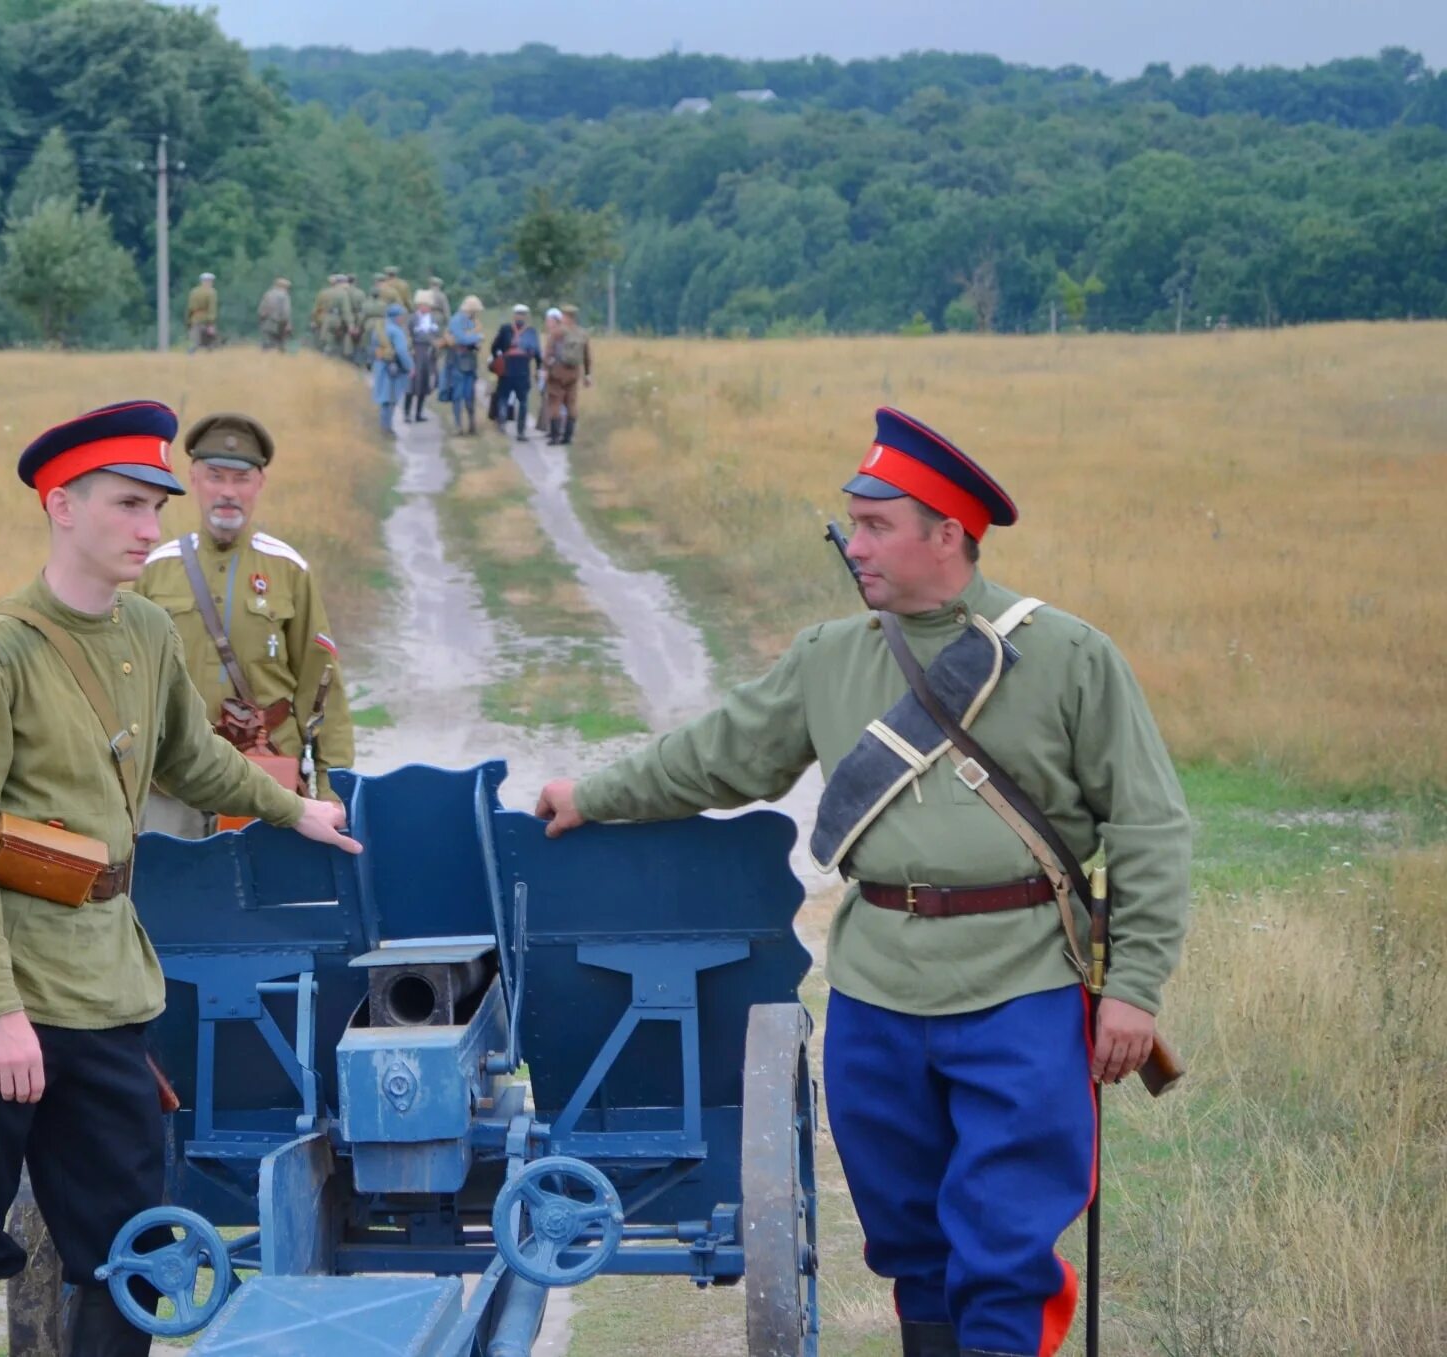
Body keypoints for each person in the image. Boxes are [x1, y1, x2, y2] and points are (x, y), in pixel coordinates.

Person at [534, 408, 1190, 1357]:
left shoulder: (1070, 657)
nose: (856, 543)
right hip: (877, 990)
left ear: (949, 534)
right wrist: (590, 796)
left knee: (1002, 1245)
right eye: (854, 521)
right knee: (908, 1239)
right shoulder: (829, 658)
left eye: (879, 523)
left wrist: (1133, 985)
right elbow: (714, 760)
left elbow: (1151, 826)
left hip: (1027, 987)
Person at [0, 398, 362, 1357]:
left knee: (128, 1247)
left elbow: (197, 761)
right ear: (61, 506)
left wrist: (293, 806)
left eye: (156, 505)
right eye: (125, 506)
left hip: (103, 988)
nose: (149, 528)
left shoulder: (146, 634)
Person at [134, 412, 357, 836]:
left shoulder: (289, 570)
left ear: (260, 484)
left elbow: (322, 687)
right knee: (168, 895)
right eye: (216, 477)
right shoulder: (154, 571)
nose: (228, 493)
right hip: (170, 784)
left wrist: (332, 787)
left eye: (241, 479)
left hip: (265, 780)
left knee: (260, 898)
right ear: (193, 479)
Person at [488, 303, 542, 440]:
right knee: (519, 400)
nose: (520, 316)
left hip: (510, 368)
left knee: (507, 398)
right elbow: (537, 353)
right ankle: (519, 431)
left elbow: (494, 348)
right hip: (521, 369)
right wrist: (538, 367)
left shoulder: (506, 329)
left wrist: (497, 359)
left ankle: (506, 424)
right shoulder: (530, 332)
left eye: (521, 314)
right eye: (520, 314)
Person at [541, 305, 589, 446]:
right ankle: (568, 436)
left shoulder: (557, 332)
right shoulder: (582, 333)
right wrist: (588, 374)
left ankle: (555, 436)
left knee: (554, 402)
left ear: (564, 316)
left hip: (557, 372)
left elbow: (548, 352)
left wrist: (544, 369)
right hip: (574, 373)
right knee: (571, 404)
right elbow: (587, 356)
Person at [445, 296, 485, 437]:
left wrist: (476, 340)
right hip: (458, 360)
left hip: (470, 360)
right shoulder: (456, 320)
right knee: (458, 394)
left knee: (470, 394)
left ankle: (471, 424)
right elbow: (462, 338)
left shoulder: (471, 321)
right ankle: (458, 425)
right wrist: (477, 338)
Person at [370, 302, 413, 435]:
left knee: (384, 398)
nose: (403, 319)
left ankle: (384, 426)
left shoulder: (379, 329)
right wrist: (410, 366)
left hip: (380, 365)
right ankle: (387, 428)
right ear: (397, 317)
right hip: (393, 368)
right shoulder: (396, 331)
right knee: (391, 398)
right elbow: (401, 351)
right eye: (401, 316)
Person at [404, 297, 442, 424]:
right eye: (427, 305)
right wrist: (410, 348)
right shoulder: (412, 318)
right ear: (420, 305)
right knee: (413, 382)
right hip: (416, 350)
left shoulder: (433, 318)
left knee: (425, 382)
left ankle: (419, 413)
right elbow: (407, 334)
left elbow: (437, 333)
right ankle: (407, 413)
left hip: (429, 351)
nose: (429, 308)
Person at [342, 273, 371, 367]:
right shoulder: (360, 293)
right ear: (355, 281)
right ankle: (358, 361)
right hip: (358, 317)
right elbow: (364, 308)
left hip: (345, 318)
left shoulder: (343, 292)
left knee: (345, 339)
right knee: (359, 341)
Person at [185, 271, 219, 352]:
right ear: (209, 281)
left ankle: (190, 355)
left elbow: (190, 308)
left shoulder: (194, 292)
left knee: (195, 342)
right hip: (206, 320)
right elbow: (212, 308)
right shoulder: (212, 292)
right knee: (210, 342)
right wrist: (211, 323)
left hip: (195, 319)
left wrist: (188, 321)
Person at [256, 277, 292, 351]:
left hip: (267, 322)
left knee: (266, 345)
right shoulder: (285, 296)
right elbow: (286, 312)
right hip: (280, 324)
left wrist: (261, 320)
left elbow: (261, 310)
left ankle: (264, 361)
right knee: (279, 346)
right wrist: (287, 324)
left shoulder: (268, 294)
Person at [310, 274, 342, 357]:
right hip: (337, 318)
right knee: (333, 336)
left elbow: (317, 308)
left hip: (323, 317)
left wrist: (314, 320)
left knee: (323, 336)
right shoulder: (341, 293)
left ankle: (324, 350)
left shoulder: (323, 293)